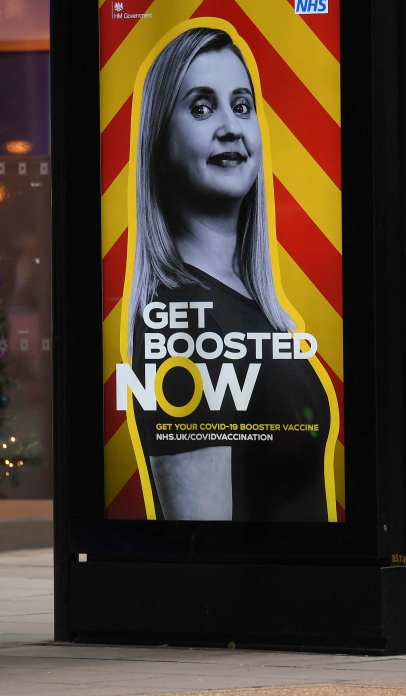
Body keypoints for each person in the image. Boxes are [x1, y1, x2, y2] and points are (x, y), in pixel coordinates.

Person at [127, 27, 332, 522]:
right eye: (201, 108)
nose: (230, 127)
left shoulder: (248, 300)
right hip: (255, 597)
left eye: (242, 107)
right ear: (160, 140)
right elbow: (201, 544)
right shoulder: (179, 319)